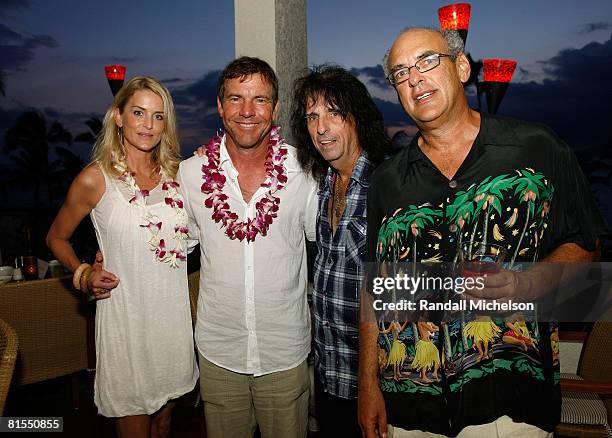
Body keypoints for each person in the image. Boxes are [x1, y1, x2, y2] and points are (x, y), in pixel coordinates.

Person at [358, 28, 607, 438]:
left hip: (508, 404)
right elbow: (375, 287)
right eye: (400, 73)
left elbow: (585, 246)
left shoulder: (537, 148)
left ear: (461, 66)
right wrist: (367, 383)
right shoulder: (387, 181)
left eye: (427, 61)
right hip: (409, 405)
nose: (414, 77)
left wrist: (526, 284)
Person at [47, 76, 198, 438]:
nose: (148, 125)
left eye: (158, 117)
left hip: (172, 323)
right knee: (134, 423)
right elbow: (55, 237)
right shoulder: (94, 180)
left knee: (164, 423)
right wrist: (83, 273)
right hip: (126, 324)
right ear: (118, 116)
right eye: (138, 113)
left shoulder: (180, 176)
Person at [178, 56, 317, 438]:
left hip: (284, 350)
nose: (247, 111)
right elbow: (173, 244)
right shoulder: (190, 174)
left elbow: (329, 238)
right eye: (236, 99)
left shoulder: (303, 171)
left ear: (274, 109)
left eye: (259, 99)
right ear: (220, 107)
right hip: (219, 351)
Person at [290, 65, 390, 437]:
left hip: (375, 380)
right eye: (313, 116)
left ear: (357, 118)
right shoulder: (321, 186)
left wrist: (373, 384)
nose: (321, 127)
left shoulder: (386, 184)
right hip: (330, 375)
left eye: (333, 113)